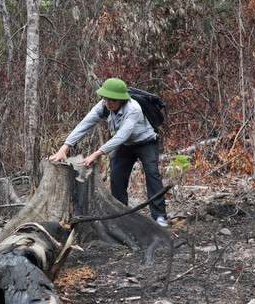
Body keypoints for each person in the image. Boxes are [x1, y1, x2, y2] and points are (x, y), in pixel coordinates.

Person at [48, 78, 168, 227]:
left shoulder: (133, 109)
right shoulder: (102, 106)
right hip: (124, 145)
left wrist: (97, 153)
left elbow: (121, 135)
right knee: (117, 174)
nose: (108, 102)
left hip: (146, 142)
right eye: (106, 98)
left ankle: (160, 217)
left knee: (152, 173)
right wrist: (65, 147)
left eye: (113, 100)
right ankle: (122, 214)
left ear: (122, 99)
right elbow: (85, 124)